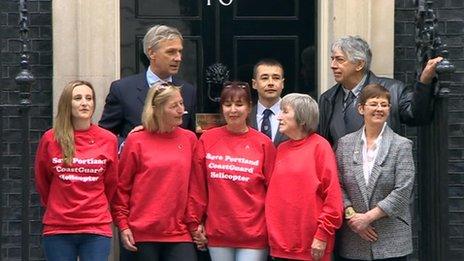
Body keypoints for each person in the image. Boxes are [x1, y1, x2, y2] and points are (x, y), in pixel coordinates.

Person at [186, 81, 276, 261]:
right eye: (227, 105)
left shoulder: (263, 143)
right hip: (218, 231)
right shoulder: (207, 139)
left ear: (249, 107)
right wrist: (195, 222)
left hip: (254, 232)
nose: (233, 110)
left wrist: (273, 230)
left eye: (239, 104)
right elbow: (198, 187)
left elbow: (273, 191)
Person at [111, 83, 198, 260]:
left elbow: (195, 187)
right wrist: (123, 224)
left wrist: (194, 223)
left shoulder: (189, 139)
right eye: (174, 106)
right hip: (142, 232)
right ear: (157, 109)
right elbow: (122, 186)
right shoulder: (136, 140)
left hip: (179, 232)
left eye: (181, 103)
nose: (181, 110)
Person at [34, 80, 118, 261]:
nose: (85, 103)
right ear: (67, 103)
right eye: (78, 98)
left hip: (96, 226)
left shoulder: (108, 139)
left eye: (89, 98)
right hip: (59, 226)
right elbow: (43, 181)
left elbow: (111, 183)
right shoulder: (50, 138)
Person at [335, 83, 415, 260]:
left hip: (391, 240)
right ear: (361, 108)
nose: (379, 109)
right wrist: (353, 218)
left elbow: (403, 191)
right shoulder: (344, 144)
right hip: (354, 239)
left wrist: (367, 218)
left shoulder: (401, 145)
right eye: (374, 103)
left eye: (384, 105)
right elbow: (337, 185)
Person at [318, 35, 443, 145]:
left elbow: (418, 116)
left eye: (339, 60)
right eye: (332, 59)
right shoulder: (327, 98)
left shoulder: (394, 90)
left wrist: (424, 82)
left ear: (359, 64)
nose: (333, 65)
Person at [265, 93, 343, 261]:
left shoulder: (320, 147)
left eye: (285, 111)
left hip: (312, 246)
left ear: (302, 119)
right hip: (280, 245)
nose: (279, 117)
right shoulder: (281, 149)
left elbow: (333, 197)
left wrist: (322, 234)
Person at [99, 24, 196, 145]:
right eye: (171, 52)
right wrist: (129, 145)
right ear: (151, 53)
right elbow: (104, 135)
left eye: (179, 51)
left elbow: (189, 135)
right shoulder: (122, 89)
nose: (178, 58)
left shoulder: (188, 91)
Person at [250, 59, 288, 146]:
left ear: (282, 83)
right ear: (254, 84)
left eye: (276, 78)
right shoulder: (245, 117)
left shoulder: (296, 116)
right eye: (265, 78)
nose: (270, 83)